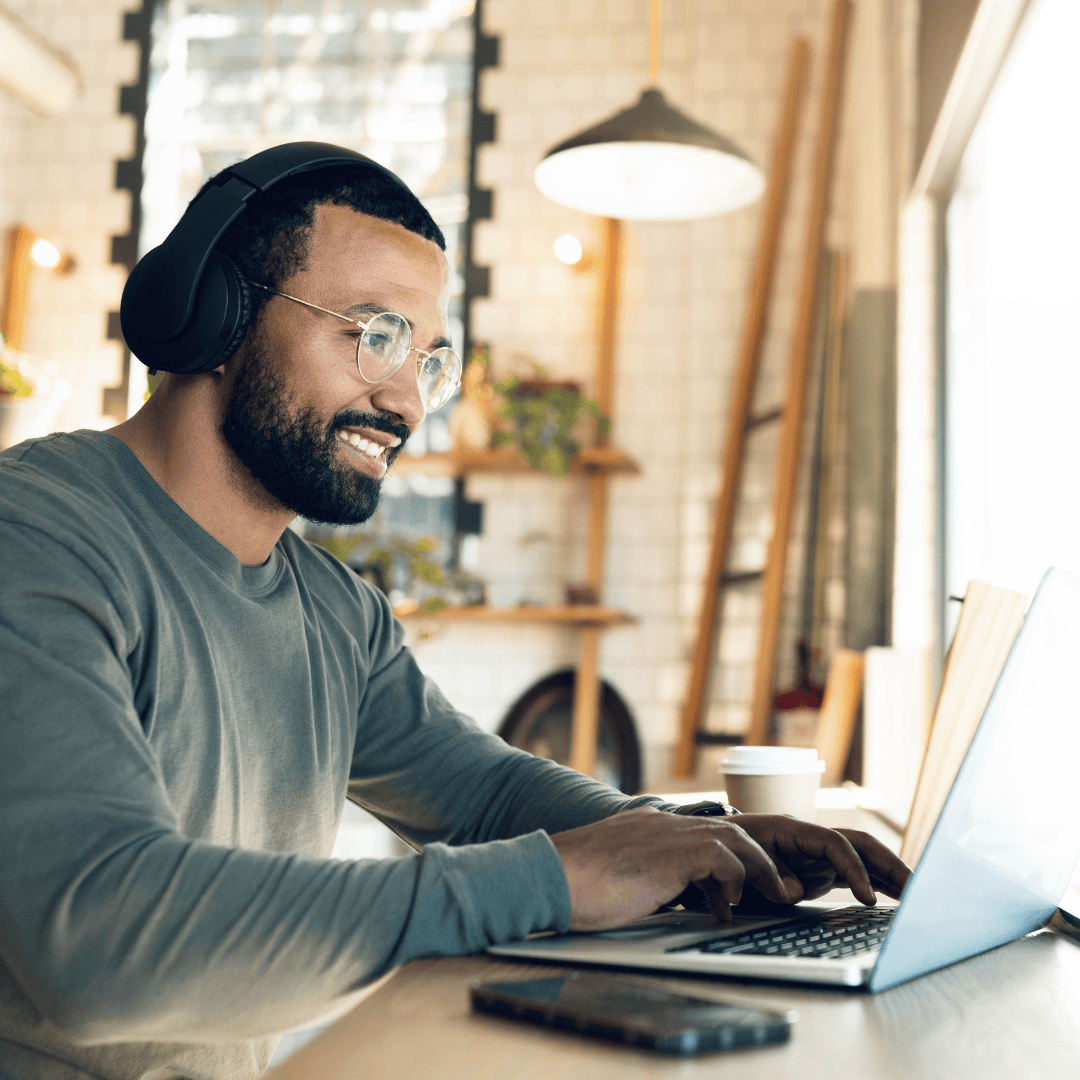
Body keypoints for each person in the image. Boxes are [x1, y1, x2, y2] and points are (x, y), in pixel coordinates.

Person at [0, 145, 910, 1080]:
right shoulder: (34, 536)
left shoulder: (333, 612)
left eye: (429, 358)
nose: (405, 400)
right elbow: (97, 946)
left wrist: (691, 838)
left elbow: (485, 793)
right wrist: (554, 880)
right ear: (215, 318)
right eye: (374, 334)